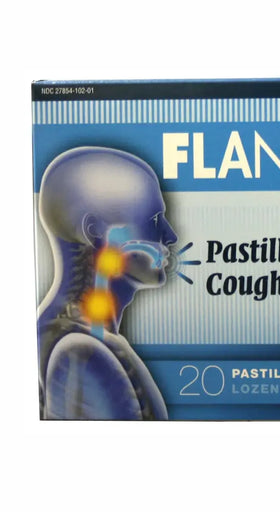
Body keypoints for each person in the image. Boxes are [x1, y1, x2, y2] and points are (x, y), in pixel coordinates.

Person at [37, 147, 177, 420]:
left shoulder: (82, 342)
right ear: (95, 232)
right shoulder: (79, 354)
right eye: (154, 220)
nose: (170, 236)